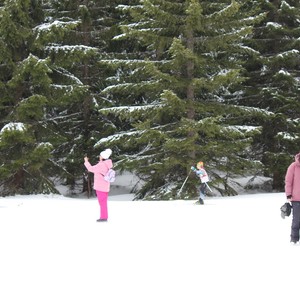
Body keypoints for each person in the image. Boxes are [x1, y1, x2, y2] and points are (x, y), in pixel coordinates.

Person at [84, 148, 113, 222]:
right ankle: (104, 216)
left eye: (100, 155)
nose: (99, 156)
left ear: (103, 157)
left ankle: (103, 217)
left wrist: (86, 161)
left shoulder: (101, 165)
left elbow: (90, 168)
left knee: (102, 203)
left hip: (100, 187)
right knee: (103, 202)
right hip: (105, 186)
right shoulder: (107, 164)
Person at [285, 152, 300, 244]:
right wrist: (288, 194)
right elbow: (288, 181)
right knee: (297, 219)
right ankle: (294, 238)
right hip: (296, 198)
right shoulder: (293, 166)